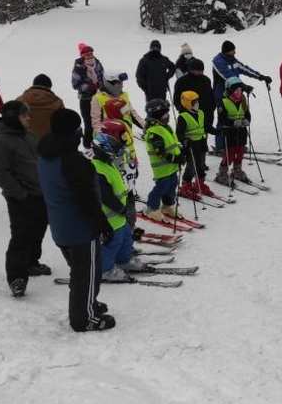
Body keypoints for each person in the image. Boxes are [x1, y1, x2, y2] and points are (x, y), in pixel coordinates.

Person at [37, 109, 115, 331]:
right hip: (79, 230)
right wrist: (102, 224)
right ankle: (84, 318)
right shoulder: (73, 163)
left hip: (60, 225)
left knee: (83, 272)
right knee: (87, 273)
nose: (81, 134)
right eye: (78, 130)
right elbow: (86, 200)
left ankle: (88, 302)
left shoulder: (46, 153)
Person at [0, 101, 50, 297]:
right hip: (20, 198)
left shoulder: (29, 136)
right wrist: (21, 195)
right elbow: (0, 174)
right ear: (13, 117)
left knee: (38, 229)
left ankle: (32, 262)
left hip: (40, 193)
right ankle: (17, 277)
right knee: (21, 236)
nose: (28, 118)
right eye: (24, 116)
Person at [91, 121, 145, 281]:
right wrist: (121, 209)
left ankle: (124, 260)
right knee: (112, 243)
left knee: (126, 238)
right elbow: (105, 196)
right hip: (109, 217)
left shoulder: (109, 164)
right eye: (114, 150)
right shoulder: (98, 169)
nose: (118, 153)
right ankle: (105, 270)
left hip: (120, 216)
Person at [212, 40, 272, 153]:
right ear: (226, 52)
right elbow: (228, 77)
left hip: (236, 93)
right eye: (232, 51)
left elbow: (244, 68)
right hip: (222, 94)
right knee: (224, 120)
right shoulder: (218, 61)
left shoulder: (232, 60)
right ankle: (221, 146)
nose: (234, 53)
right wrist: (243, 86)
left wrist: (261, 77)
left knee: (238, 117)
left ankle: (237, 144)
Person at [143, 99, 183, 222]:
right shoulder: (154, 132)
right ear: (156, 115)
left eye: (167, 113)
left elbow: (173, 143)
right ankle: (151, 208)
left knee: (172, 186)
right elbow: (160, 152)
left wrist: (182, 151)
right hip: (162, 168)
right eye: (164, 114)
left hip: (171, 167)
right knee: (162, 187)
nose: (167, 116)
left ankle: (167, 206)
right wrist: (175, 158)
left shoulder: (165, 127)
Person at [176, 90, 215, 197]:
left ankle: (200, 183)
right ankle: (186, 185)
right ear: (188, 104)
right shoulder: (183, 117)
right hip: (191, 145)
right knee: (191, 165)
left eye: (197, 101)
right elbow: (179, 133)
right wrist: (184, 140)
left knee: (201, 164)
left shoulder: (201, 113)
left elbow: (206, 126)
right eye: (194, 102)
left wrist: (217, 131)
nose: (197, 104)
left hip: (201, 143)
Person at [215, 77, 252, 185]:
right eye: (236, 90)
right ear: (230, 91)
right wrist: (232, 123)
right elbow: (221, 119)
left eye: (240, 90)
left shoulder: (243, 100)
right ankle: (222, 174)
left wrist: (247, 121)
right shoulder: (224, 102)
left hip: (241, 131)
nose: (239, 92)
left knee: (240, 151)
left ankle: (237, 170)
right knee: (230, 153)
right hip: (230, 132)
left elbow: (247, 114)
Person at [173, 58, 215, 151]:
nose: (199, 72)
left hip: (205, 114)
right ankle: (191, 163)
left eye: (201, 70)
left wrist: (212, 108)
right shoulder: (182, 81)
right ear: (191, 69)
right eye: (197, 70)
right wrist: (182, 110)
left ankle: (202, 163)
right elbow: (176, 98)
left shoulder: (206, 80)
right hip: (189, 115)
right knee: (191, 144)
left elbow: (211, 96)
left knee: (203, 141)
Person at [91, 70, 144, 138]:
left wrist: (146, 126)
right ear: (109, 84)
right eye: (118, 84)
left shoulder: (124, 96)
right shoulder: (98, 98)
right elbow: (96, 122)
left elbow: (133, 115)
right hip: (109, 137)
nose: (122, 86)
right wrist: (102, 136)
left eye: (122, 83)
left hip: (126, 135)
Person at [71, 43, 104, 148]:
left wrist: (101, 85)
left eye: (91, 53)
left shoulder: (97, 63)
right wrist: (88, 86)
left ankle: (100, 144)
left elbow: (103, 77)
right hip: (86, 99)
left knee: (100, 122)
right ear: (82, 55)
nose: (90, 56)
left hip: (99, 98)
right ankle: (87, 146)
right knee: (89, 124)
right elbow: (75, 84)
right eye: (87, 54)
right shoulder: (78, 67)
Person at [17, 74, 64, 141]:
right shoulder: (57, 102)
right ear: (49, 87)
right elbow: (63, 124)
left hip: (25, 143)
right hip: (49, 144)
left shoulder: (20, 100)